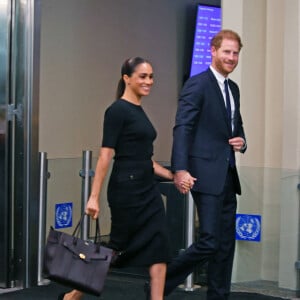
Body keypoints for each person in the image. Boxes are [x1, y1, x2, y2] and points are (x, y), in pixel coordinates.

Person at [59, 57, 183, 300]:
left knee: (160, 247)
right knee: (116, 249)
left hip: (147, 190)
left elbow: (143, 157)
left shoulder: (138, 111)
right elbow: (106, 155)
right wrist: (93, 197)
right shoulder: (117, 110)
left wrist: (171, 175)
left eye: (151, 77)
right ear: (127, 78)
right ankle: (74, 295)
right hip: (126, 191)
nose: (149, 81)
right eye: (143, 76)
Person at [164, 29, 247, 300]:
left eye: (235, 53)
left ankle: (219, 296)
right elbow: (183, 128)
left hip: (227, 176)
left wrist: (242, 142)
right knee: (210, 241)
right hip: (204, 175)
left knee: (225, 244)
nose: (231, 57)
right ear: (212, 50)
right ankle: (159, 283)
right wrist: (180, 169)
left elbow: (236, 126)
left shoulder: (232, 88)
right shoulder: (197, 84)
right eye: (227, 52)